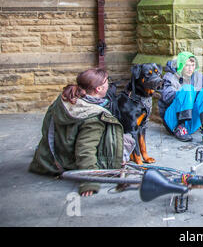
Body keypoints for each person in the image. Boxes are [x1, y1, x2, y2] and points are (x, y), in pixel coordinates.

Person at [28, 68, 135, 197]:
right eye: (107, 81)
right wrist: (89, 182)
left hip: (47, 157)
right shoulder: (92, 117)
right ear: (98, 89)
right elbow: (85, 150)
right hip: (65, 163)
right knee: (128, 140)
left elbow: (46, 128)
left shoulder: (66, 100)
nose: (109, 84)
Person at [158, 51, 203, 146]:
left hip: (191, 120)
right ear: (180, 65)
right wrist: (185, 93)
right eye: (187, 65)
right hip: (173, 120)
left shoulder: (199, 77)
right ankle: (181, 127)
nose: (190, 68)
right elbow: (166, 97)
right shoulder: (170, 76)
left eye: (192, 65)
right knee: (187, 89)